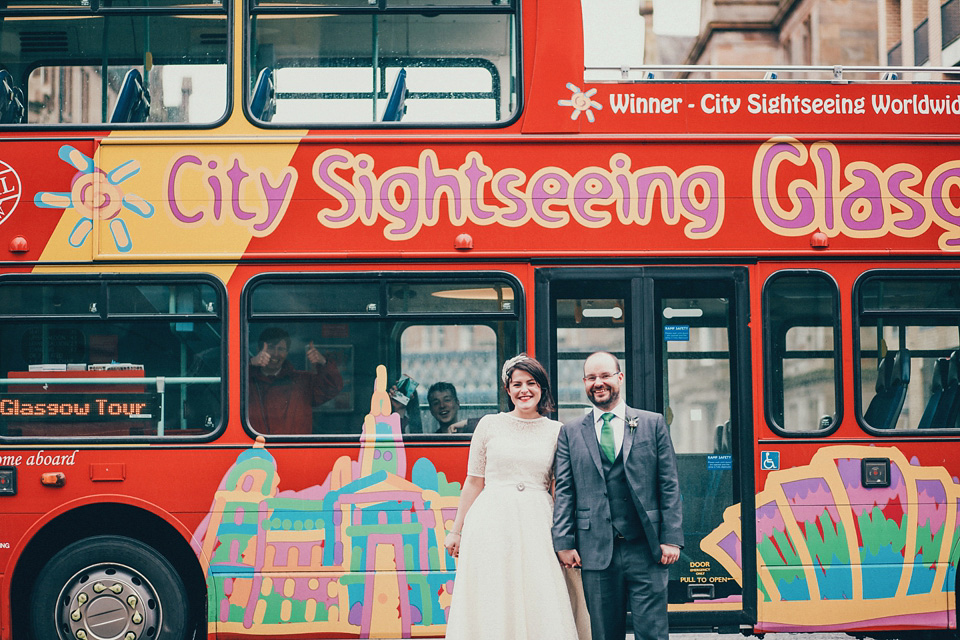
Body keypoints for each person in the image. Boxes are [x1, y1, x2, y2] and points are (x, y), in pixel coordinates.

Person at [444, 355, 589, 640]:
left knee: (540, 591)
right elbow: (473, 481)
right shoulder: (488, 425)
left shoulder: (557, 431)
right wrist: (456, 530)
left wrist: (566, 536)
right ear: (508, 390)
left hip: (539, 522)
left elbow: (559, 489)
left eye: (531, 383)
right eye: (517, 384)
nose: (524, 390)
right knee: (495, 593)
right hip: (491, 522)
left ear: (542, 388)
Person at [552, 351, 682, 640]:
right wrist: (563, 541)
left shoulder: (653, 423)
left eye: (605, 376)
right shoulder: (570, 432)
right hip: (595, 550)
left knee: (652, 634)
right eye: (591, 378)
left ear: (619, 378)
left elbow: (669, 484)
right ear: (584, 383)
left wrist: (671, 538)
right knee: (604, 635)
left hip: (647, 549)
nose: (599, 383)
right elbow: (565, 490)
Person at [248, 327, 344, 434]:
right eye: (270, 347)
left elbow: (333, 387)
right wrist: (250, 363)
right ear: (258, 350)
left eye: (281, 349)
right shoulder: (245, 380)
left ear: (287, 353)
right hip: (256, 449)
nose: (275, 354)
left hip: (294, 449)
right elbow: (227, 385)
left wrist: (323, 362)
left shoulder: (302, 381)